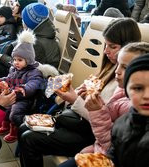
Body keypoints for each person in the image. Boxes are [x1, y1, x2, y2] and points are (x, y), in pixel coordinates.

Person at [17, 18, 141, 167]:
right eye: (105, 45)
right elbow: (87, 98)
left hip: (91, 133)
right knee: (24, 127)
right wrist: (69, 91)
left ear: (128, 47)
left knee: (29, 138)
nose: (105, 51)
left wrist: (75, 99)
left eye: (112, 46)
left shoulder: (126, 84)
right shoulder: (108, 69)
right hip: (79, 122)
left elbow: (104, 119)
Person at [58, 42, 149, 167]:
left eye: (124, 67)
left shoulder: (128, 107)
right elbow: (112, 150)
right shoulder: (124, 120)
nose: (117, 71)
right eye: (138, 88)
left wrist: (96, 110)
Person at [0, 30, 44, 143]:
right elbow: (9, 78)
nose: (16, 62)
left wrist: (23, 88)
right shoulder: (14, 69)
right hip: (12, 95)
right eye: (15, 60)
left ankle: (15, 131)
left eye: (20, 60)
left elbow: (33, 84)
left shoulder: (34, 72)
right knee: (4, 106)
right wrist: (1, 81)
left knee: (14, 112)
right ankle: (5, 125)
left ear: (29, 60)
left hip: (24, 98)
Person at [108, 53, 149, 167]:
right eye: (138, 88)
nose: (147, 96)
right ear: (127, 91)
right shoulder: (121, 123)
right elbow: (113, 153)